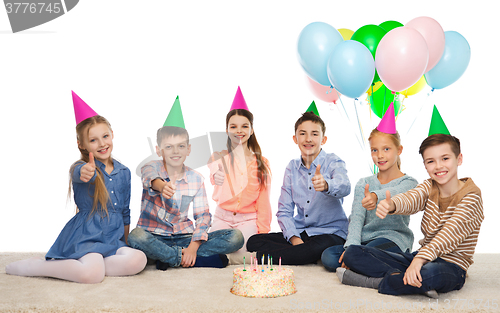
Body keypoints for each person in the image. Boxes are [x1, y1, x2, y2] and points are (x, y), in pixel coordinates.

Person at [337, 107, 484, 298]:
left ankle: (374, 282)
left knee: (428, 274)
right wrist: (392, 205)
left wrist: (419, 260)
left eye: (445, 158)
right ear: (425, 164)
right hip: (419, 257)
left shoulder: (471, 196)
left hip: (451, 265)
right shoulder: (429, 186)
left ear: (459, 159)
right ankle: (409, 281)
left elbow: (448, 235)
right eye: (431, 161)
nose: (438, 166)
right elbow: (411, 198)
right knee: (353, 253)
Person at [5, 91, 147, 283]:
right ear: (81, 145)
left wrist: (125, 242)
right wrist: (86, 172)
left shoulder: (124, 172)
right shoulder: (82, 167)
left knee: (138, 259)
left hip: (113, 238)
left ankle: (92, 264)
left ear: (112, 134)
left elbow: (124, 212)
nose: (102, 143)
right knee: (92, 275)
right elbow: (78, 174)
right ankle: (38, 265)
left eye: (105, 136)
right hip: (88, 237)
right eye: (93, 140)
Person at [127, 96, 244, 270]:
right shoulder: (151, 167)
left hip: (185, 236)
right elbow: (148, 178)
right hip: (154, 235)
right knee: (135, 237)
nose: (175, 151)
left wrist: (192, 247)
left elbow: (203, 216)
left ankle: (167, 257)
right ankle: (182, 258)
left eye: (181, 146)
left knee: (236, 237)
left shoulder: (196, 178)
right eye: (169, 147)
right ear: (159, 150)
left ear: (188, 149)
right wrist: (162, 186)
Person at [247, 102, 351, 265]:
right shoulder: (292, 167)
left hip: (331, 233)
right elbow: (284, 210)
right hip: (303, 232)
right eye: (303, 134)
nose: (308, 139)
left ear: (323, 139)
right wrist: (295, 239)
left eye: (314, 134)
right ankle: (301, 254)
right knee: (254, 241)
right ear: (295, 139)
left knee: (315, 247)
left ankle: (260, 258)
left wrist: (326, 185)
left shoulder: (333, 161)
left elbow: (345, 186)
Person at [322, 104, 417, 272]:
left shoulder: (409, 183)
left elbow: (396, 194)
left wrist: (374, 196)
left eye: (386, 149)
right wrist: (350, 247)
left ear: (399, 150)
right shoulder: (363, 183)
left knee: (363, 254)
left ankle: (364, 262)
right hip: (364, 241)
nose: (380, 155)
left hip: (393, 239)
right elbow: (357, 219)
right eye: (374, 150)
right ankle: (364, 262)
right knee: (328, 256)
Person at [208, 87, 271, 264]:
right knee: (219, 246)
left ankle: (221, 259)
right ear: (227, 130)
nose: (239, 131)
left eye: (244, 126)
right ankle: (218, 257)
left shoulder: (262, 163)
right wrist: (216, 174)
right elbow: (213, 170)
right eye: (233, 126)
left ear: (251, 130)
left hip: (248, 220)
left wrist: (263, 234)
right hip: (222, 217)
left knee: (245, 252)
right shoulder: (219, 157)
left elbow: (264, 201)